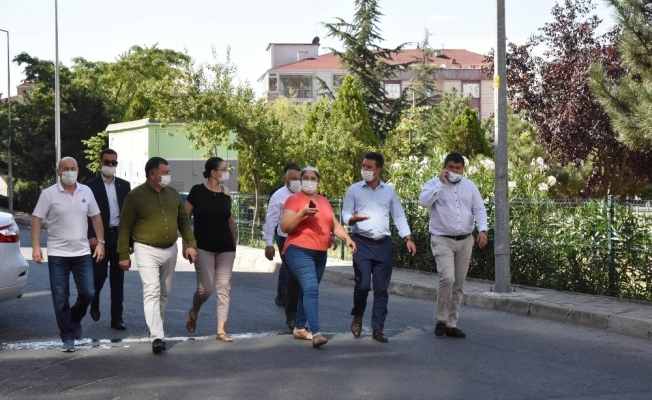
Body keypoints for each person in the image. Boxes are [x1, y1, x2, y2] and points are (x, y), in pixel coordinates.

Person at [118, 157, 197, 354]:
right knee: (152, 291)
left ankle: (156, 328)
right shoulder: (135, 196)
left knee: (164, 292)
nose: (169, 176)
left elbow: (184, 222)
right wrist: (122, 255)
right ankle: (157, 336)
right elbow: (125, 226)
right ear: (153, 175)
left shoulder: (173, 195)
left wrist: (191, 244)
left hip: (170, 249)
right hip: (146, 249)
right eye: (165, 172)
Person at [31, 157, 105, 353]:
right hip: (58, 254)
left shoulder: (86, 191)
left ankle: (75, 318)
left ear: (78, 170)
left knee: (89, 292)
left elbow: (96, 218)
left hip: (82, 252)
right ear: (58, 172)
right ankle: (67, 335)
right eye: (65, 169)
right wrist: (36, 246)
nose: (69, 172)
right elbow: (37, 219)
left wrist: (101, 242)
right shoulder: (49, 194)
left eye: (73, 168)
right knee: (60, 297)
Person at [343, 152, 417, 343]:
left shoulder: (389, 191)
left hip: (383, 245)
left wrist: (407, 237)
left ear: (379, 170)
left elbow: (398, 215)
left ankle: (378, 328)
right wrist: (353, 219)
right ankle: (357, 316)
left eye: (369, 167)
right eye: (363, 166)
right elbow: (345, 214)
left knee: (382, 289)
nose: (364, 170)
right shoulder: (354, 190)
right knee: (363, 285)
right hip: (362, 243)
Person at [280, 166, 357, 348]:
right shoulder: (294, 200)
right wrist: (302, 213)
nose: (309, 180)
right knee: (311, 288)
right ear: (300, 181)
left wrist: (347, 238)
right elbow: (285, 227)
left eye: (312, 178)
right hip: (298, 250)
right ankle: (316, 332)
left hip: (320, 252)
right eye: (305, 177)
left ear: (318, 181)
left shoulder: (323, 201)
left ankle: (299, 327)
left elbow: (333, 223)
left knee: (307, 289)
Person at [418, 152, 488, 339]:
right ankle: (441, 318)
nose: (454, 171)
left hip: (465, 240)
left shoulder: (470, 186)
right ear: (445, 167)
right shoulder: (434, 183)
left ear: (462, 169)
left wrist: (483, 230)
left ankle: (451, 323)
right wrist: (440, 183)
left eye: (458, 168)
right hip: (442, 239)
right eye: (451, 167)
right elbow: (423, 202)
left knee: (459, 283)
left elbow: (479, 209)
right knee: (447, 278)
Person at [184, 157, 237, 342]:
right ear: (214, 172)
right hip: (203, 247)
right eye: (223, 169)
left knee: (224, 287)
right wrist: (187, 243)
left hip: (225, 248)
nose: (226, 172)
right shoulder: (197, 191)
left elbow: (230, 220)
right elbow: (185, 218)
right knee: (205, 289)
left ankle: (221, 330)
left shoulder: (226, 193)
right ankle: (194, 311)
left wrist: (234, 243)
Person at [85, 148, 131, 330]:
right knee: (99, 276)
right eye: (107, 162)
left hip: (119, 236)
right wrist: (91, 236)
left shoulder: (124, 185)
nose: (110, 165)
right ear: (100, 163)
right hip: (100, 237)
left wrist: (130, 241)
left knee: (117, 280)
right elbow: (86, 213)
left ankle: (117, 318)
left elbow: (129, 216)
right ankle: (94, 301)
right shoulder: (90, 186)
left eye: (114, 162)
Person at [263, 163, 302, 329]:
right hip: (286, 239)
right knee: (294, 275)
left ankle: (300, 313)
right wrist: (268, 244)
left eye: (298, 179)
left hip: (304, 240)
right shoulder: (278, 196)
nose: (296, 182)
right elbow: (271, 220)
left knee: (303, 278)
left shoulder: (306, 194)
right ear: (285, 178)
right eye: (292, 178)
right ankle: (291, 315)